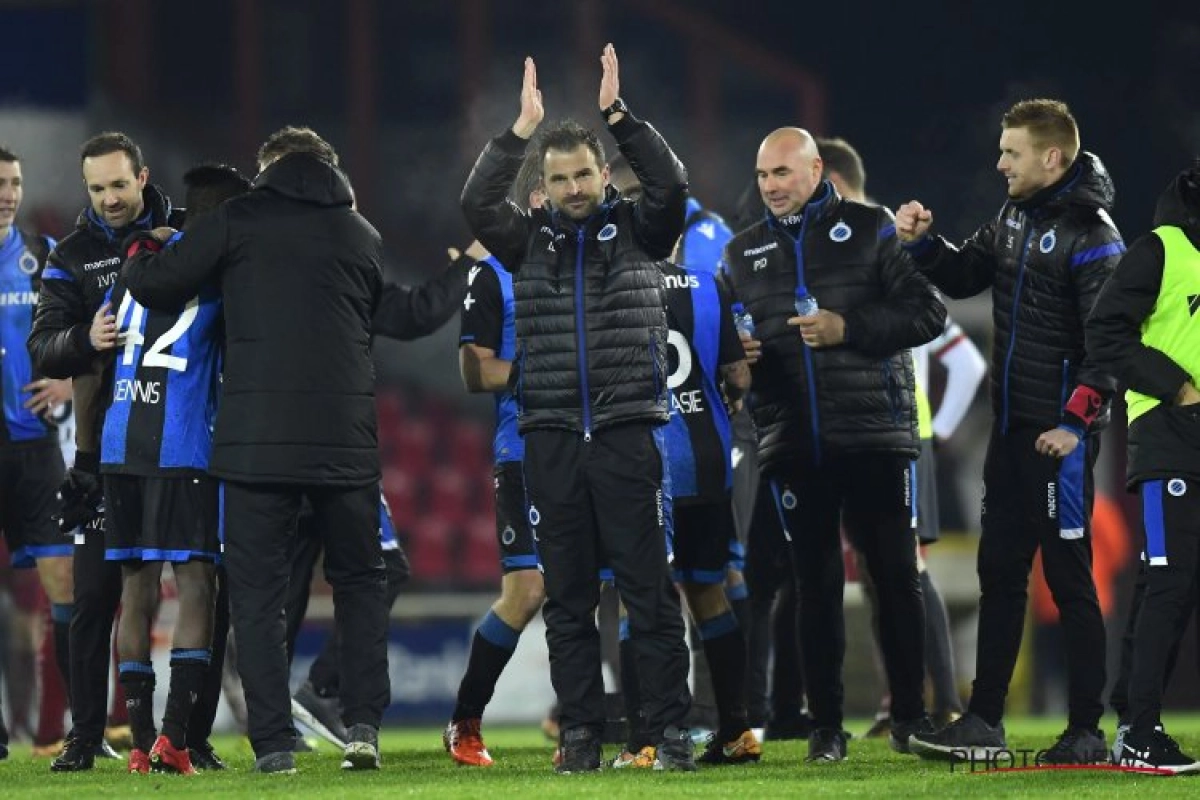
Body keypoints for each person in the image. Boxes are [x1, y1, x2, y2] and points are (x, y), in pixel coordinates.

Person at [121, 126, 389, 775]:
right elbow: (379, 318)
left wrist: (138, 254)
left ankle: (271, 743)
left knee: (257, 596)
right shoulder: (361, 234)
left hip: (253, 444)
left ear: (270, 169)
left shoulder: (240, 221)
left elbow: (157, 285)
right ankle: (362, 726)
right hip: (343, 440)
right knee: (361, 581)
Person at [460, 45, 695, 773]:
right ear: (545, 184)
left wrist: (620, 117)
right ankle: (583, 740)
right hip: (553, 437)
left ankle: (667, 735)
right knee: (567, 604)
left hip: (628, 434)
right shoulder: (526, 244)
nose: (571, 187)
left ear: (603, 174)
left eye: (583, 174)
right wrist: (518, 131)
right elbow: (475, 205)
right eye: (558, 178)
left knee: (648, 597)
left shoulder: (641, 232)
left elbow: (673, 183)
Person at [898, 99, 1124, 763]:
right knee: (999, 572)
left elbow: (1108, 344)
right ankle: (984, 720)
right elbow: (967, 273)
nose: (999, 163)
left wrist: (1075, 424)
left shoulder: (1094, 235)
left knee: (1070, 580)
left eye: (1012, 152)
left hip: (1061, 441)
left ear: (1051, 158)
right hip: (1011, 433)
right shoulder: (1013, 216)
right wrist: (922, 246)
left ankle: (1085, 730)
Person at [722, 126, 945, 763]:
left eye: (783, 173)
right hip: (793, 445)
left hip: (875, 435)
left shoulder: (873, 228)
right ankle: (825, 728)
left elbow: (928, 314)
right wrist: (737, 361)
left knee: (895, 575)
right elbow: (727, 352)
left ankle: (910, 714)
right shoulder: (741, 255)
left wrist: (848, 327)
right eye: (763, 176)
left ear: (817, 170)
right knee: (812, 585)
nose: (771, 186)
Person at [816, 134, 986, 735]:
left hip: (896, 435)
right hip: (867, 433)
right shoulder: (849, 247)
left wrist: (933, 431)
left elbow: (964, 360)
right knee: (881, 568)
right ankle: (904, 702)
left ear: (830, 181)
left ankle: (939, 702)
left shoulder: (883, 243)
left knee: (905, 569)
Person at [28, 131, 181, 772]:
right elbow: (44, 347)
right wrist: (83, 337)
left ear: (142, 177)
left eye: (120, 184)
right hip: (105, 452)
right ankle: (86, 735)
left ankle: (182, 737)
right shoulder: (72, 254)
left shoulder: (187, 233)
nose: (110, 199)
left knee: (202, 588)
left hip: (178, 444)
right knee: (93, 600)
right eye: (97, 188)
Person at [90, 163, 246, 775]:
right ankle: (175, 738)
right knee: (197, 587)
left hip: (119, 445)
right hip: (182, 447)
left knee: (136, 593)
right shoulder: (220, 275)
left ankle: (137, 741)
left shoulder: (136, 265)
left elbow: (101, 346)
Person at [1086, 160, 1200, 774]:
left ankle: (1134, 717)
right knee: (1169, 580)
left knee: (1177, 585)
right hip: (1168, 437)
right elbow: (1105, 332)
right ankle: (1139, 731)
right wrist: (1176, 387)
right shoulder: (1162, 248)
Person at [0, 145, 74, 761]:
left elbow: (88, 336)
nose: (8, 193)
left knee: (65, 586)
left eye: (16, 182)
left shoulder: (43, 259)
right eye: (0, 182)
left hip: (36, 447)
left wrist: (70, 381)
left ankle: (61, 733)